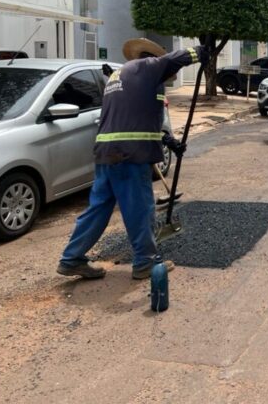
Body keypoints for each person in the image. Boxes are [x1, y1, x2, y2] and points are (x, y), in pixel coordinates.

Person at [57, 38, 207, 280]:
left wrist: (168, 141)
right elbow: (171, 60)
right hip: (129, 154)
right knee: (140, 208)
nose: (169, 73)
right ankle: (146, 262)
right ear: (150, 57)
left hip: (107, 153)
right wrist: (199, 53)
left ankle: (71, 258)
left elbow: (139, 118)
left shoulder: (121, 77)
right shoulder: (148, 66)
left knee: (98, 209)